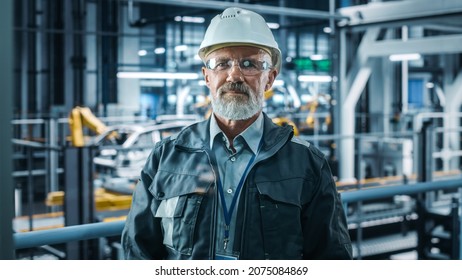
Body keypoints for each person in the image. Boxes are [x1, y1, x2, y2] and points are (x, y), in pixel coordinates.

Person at [121, 6, 353, 260]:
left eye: (249, 64)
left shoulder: (308, 164)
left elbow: (332, 258)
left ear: (270, 78)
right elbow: (138, 251)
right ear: (207, 76)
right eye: (222, 63)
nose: (235, 75)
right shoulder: (165, 158)